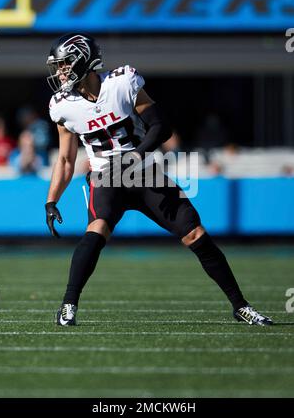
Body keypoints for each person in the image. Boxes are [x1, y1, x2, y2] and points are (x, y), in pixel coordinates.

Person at [45, 33, 273, 327]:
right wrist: (51, 200)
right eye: (59, 66)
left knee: (195, 234)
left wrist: (136, 156)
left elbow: (160, 127)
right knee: (97, 229)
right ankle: (68, 306)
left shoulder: (121, 82)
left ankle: (241, 306)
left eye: (65, 64)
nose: (61, 71)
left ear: (84, 60)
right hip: (105, 176)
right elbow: (65, 159)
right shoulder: (62, 105)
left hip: (142, 171)